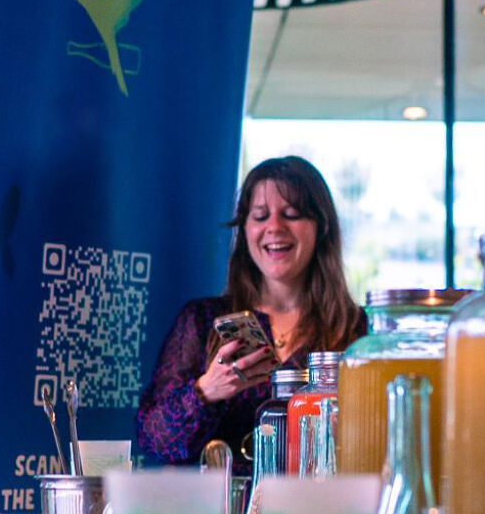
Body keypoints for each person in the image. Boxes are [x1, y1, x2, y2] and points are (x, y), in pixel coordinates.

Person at [137, 155, 365, 465]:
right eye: (260, 216)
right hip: (221, 510)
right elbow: (153, 441)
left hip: (322, 508)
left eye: (292, 214)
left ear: (321, 227)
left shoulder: (357, 330)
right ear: (243, 229)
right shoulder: (202, 320)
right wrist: (206, 391)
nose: (274, 227)